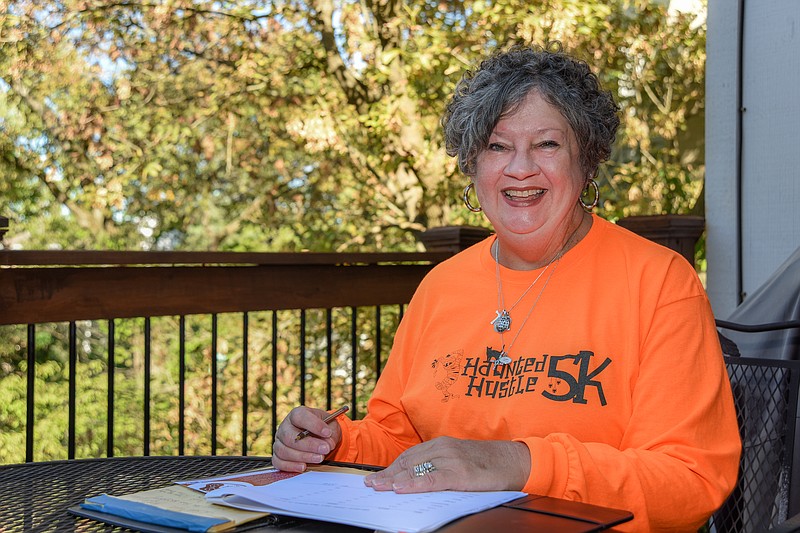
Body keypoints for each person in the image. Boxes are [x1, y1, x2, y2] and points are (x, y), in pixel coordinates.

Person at [272, 42, 741, 531]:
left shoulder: (659, 281)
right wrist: (337, 442)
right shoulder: (441, 286)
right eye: (497, 146)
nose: (520, 169)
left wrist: (518, 465)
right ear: (473, 167)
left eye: (547, 144)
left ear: (587, 164)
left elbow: (689, 480)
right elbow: (404, 443)